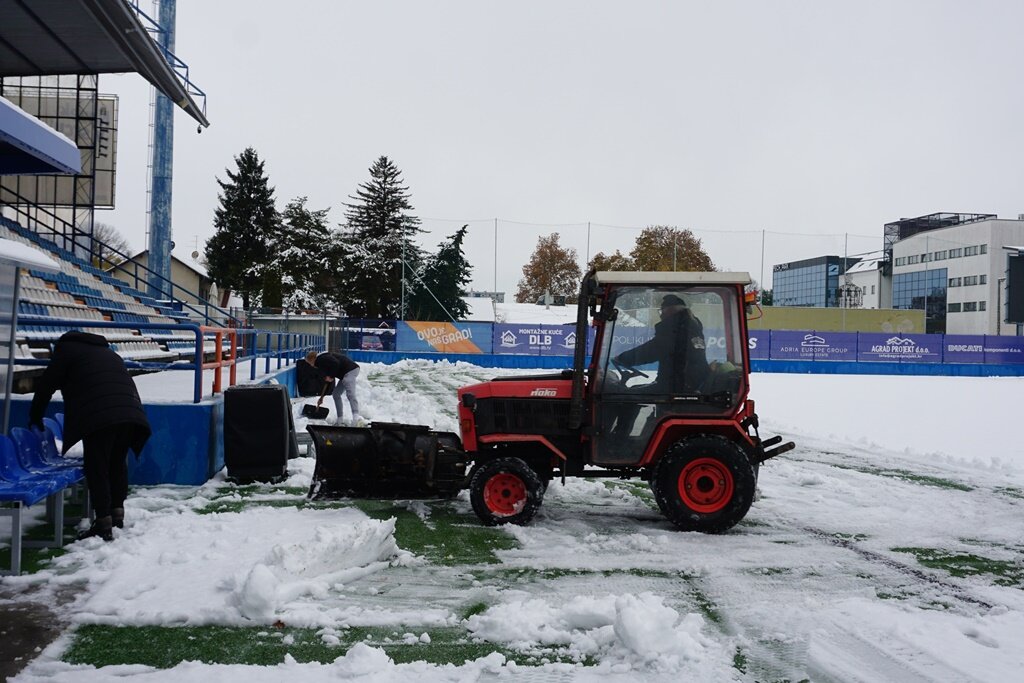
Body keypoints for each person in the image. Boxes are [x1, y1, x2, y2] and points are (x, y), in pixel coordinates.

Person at [29, 331, 151, 542]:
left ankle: (103, 522)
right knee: (116, 462)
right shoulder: (108, 353)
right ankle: (116, 513)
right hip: (130, 413)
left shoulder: (66, 351)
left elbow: (46, 386)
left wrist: (35, 416)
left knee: (97, 466)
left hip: (101, 415)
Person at [613, 293, 710, 393]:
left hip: (678, 387)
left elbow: (651, 350)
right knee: (636, 390)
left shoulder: (675, 328)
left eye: (661, 311)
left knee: (628, 396)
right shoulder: (691, 326)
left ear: (670, 310)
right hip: (689, 384)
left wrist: (623, 358)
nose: (661, 315)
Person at [314, 351, 362, 425]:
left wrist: (331, 376)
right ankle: (340, 419)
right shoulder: (323, 362)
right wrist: (322, 398)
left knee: (350, 393)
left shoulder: (322, 360)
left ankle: (356, 417)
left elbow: (335, 363)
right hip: (344, 374)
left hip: (351, 370)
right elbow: (328, 382)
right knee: (336, 394)